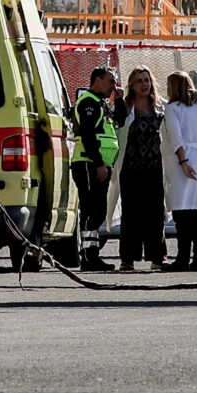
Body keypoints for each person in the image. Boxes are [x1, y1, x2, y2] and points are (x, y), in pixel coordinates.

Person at [105, 68, 167, 270]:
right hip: (130, 169)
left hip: (156, 169)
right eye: (139, 81)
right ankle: (128, 259)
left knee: (156, 213)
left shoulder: (160, 107)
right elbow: (116, 126)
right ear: (132, 85)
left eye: (147, 80)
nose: (144, 84)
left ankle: (157, 257)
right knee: (131, 215)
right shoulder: (125, 107)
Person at [161, 71, 197, 270]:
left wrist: (183, 161)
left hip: (181, 162)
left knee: (181, 213)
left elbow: (176, 138)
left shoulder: (172, 109)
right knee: (196, 212)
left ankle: (183, 258)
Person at [70, 66, 120, 270]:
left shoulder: (102, 104)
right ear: (97, 80)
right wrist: (99, 164)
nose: (113, 86)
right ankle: (89, 257)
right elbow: (89, 136)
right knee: (91, 211)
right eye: (110, 81)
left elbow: (119, 121)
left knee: (98, 211)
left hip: (100, 166)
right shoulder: (89, 103)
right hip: (89, 163)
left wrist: (120, 101)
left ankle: (91, 254)